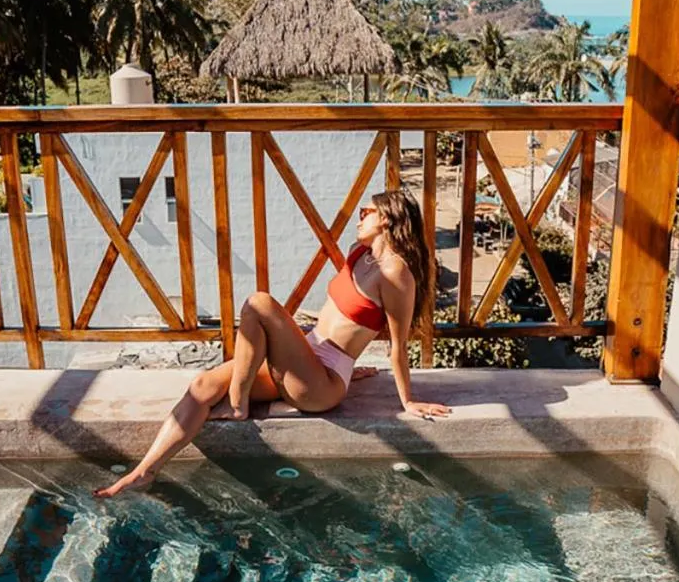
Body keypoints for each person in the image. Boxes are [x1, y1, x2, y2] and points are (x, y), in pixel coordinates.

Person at [95, 189, 451, 498]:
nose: (359, 217)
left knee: (259, 303)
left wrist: (408, 400)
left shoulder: (397, 273)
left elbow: (398, 345)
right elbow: (340, 321)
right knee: (202, 385)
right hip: (304, 363)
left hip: (321, 383)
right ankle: (144, 471)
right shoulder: (360, 256)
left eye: (368, 212)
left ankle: (238, 405)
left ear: (388, 219)